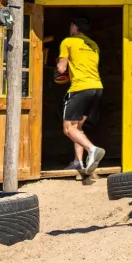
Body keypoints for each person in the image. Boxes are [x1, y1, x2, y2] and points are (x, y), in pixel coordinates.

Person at [56, 16, 105, 181]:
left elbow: (62, 69)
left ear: (73, 26)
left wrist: (58, 68)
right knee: (78, 127)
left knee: (68, 129)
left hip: (79, 88)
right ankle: (78, 162)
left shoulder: (68, 41)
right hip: (97, 88)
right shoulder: (93, 45)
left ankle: (92, 149)